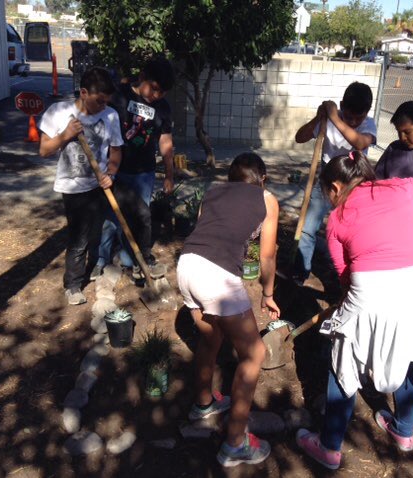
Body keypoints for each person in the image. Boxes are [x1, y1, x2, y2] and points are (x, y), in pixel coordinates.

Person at [295, 152, 413, 470]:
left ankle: (329, 446)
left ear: (335, 187)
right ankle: (403, 432)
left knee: (343, 364)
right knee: (408, 348)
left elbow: (346, 280)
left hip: (372, 290)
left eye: (327, 194)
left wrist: (358, 313)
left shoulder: (337, 219)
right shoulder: (404, 187)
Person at [176, 153, 280, 467]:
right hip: (215, 276)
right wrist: (268, 293)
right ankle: (235, 443)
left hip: (186, 265)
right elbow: (267, 256)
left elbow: (207, 232)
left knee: (211, 339)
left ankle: (204, 403)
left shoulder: (213, 191)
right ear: (261, 177)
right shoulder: (267, 198)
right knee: (254, 354)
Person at [39, 67, 124, 305]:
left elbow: (116, 149)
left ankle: (95, 266)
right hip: (73, 188)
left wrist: (111, 173)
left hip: (100, 185)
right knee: (79, 238)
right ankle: (73, 285)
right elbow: (44, 150)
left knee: (99, 230)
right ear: (84, 92)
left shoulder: (110, 116)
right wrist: (65, 135)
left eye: (107, 101)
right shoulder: (59, 112)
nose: (103, 106)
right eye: (99, 101)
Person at [91, 56, 175, 280]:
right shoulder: (119, 95)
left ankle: (133, 259)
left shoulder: (163, 108)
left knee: (139, 217)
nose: (157, 96)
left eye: (163, 92)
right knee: (110, 217)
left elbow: (165, 142)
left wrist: (169, 175)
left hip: (144, 173)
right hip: (114, 170)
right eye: (155, 89)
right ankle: (101, 259)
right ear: (142, 78)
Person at [293, 82, 377, 284]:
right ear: (341, 105)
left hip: (354, 184)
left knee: (349, 232)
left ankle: (346, 276)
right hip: (325, 182)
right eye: (349, 116)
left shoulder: (369, 124)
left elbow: (359, 142)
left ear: (366, 113)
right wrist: (319, 117)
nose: (355, 121)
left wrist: (335, 118)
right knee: (307, 227)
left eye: (359, 117)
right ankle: (300, 272)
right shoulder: (329, 120)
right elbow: (300, 137)